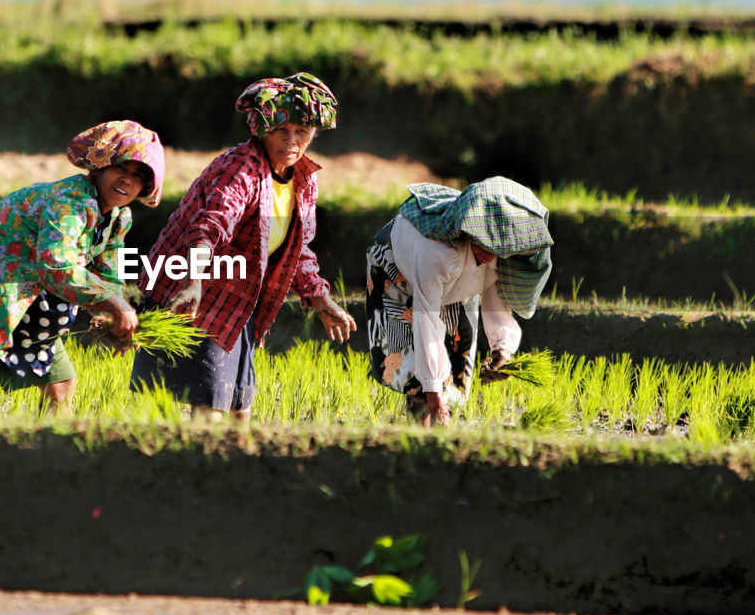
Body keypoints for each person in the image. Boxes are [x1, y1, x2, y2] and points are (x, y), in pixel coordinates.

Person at [130, 72, 356, 420]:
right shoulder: (242, 168)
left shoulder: (303, 179)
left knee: (240, 408)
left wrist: (319, 297)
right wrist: (193, 282)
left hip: (242, 296)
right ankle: (198, 468)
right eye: (282, 130)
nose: (291, 140)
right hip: (198, 291)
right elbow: (211, 225)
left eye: (301, 132)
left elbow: (298, 249)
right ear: (262, 129)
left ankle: (232, 468)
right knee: (209, 404)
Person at [0, 120, 165, 411]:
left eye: (138, 175)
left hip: (21, 293)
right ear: (99, 167)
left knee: (60, 385)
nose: (127, 180)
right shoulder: (71, 202)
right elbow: (57, 267)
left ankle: (42, 448)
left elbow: (107, 275)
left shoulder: (118, 217)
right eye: (120, 168)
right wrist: (117, 306)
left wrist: (113, 322)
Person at [365, 177, 553, 427]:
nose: (490, 251)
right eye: (483, 241)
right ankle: (421, 435)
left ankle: (441, 436)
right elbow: (426, 318)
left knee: (457, 364)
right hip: (398, 268)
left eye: (498, 247)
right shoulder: (438, 251)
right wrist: (434, 396)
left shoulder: (507, 252)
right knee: (419, 378)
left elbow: (496, 302)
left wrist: (502, 349)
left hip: (456, 282)